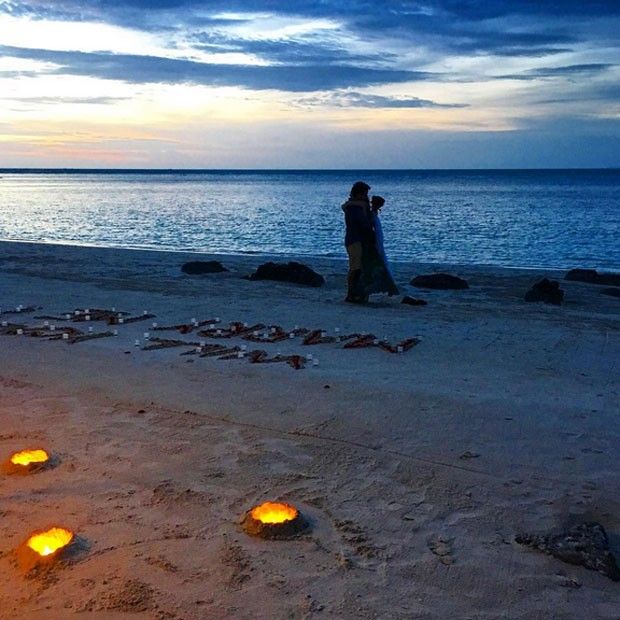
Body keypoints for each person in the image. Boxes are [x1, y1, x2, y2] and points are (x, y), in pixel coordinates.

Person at [341, 181, 374, 302]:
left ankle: (356, 293)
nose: (366, 197)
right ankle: (351, 293)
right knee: (355, 268)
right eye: (364, 194)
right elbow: (364, 224)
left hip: (356, 240)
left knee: (357, 267)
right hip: (354, 240)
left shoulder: (357, 206)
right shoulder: (355, 207)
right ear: (358, 194)